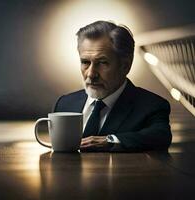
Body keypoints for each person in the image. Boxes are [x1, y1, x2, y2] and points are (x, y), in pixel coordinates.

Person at [53, 21, 172, 152]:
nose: (91, 74)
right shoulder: (64, 104)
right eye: (85, 62)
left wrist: (110, 141)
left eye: (102, 63)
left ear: (125, 66)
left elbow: (161, 137)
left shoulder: (152, 106)